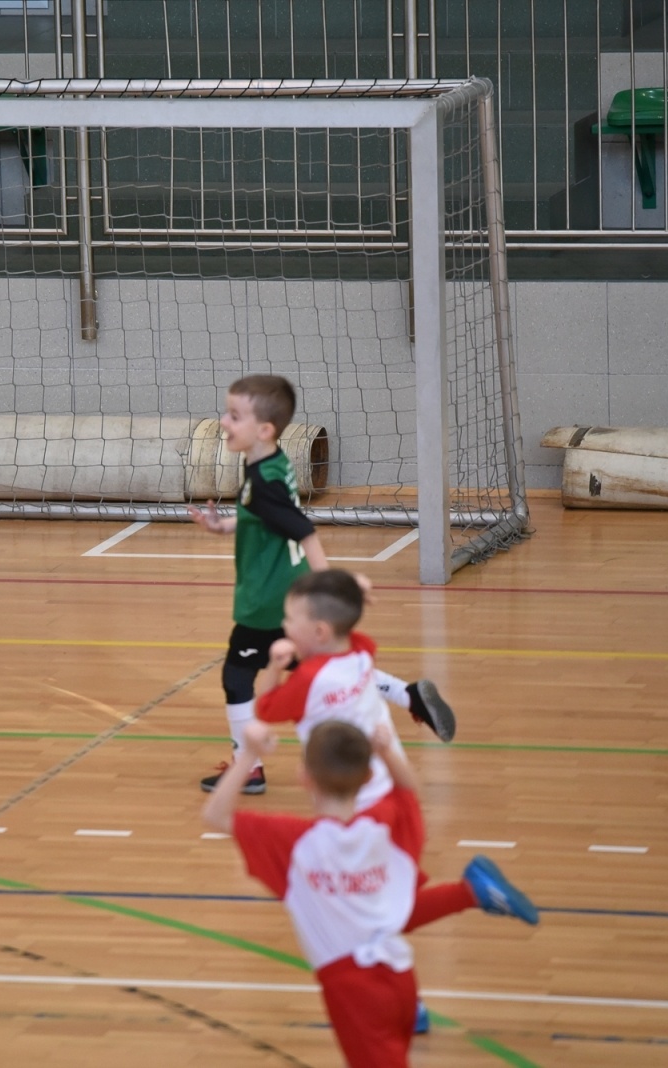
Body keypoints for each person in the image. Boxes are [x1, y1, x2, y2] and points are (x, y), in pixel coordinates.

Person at [255, 568, 540, 1034]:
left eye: (289, 620)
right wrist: (353, 593)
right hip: (398, 794)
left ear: (319, 631)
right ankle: (434, 959)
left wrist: (273, 664)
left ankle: (468, 898)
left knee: (366, 910)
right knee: (378, 908)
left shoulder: (307, 681)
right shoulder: (360, 656)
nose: (284, 626)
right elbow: (354, 634)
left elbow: (264, 709)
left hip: (361, 815)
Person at [188, 374, 455, 795]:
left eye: (234, 416)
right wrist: (223, 526)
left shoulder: (264, 481)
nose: (223, 421)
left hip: (268, 601)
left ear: (264, 429)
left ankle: (248, 767)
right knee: (321, 666)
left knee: (237, 676)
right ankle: (409, 695)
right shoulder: (271, 464)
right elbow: (264, 516)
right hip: (287, 594)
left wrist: (331, 586)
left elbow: (303, 531)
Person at [204, 718, 432, 1067]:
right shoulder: (380, 825)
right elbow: (408, 793)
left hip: (351, 989)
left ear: (304, 776)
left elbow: (216, 815)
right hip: (401, 976)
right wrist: (387, 751)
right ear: (368, 777)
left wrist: (249, 753)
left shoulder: (295, 842)